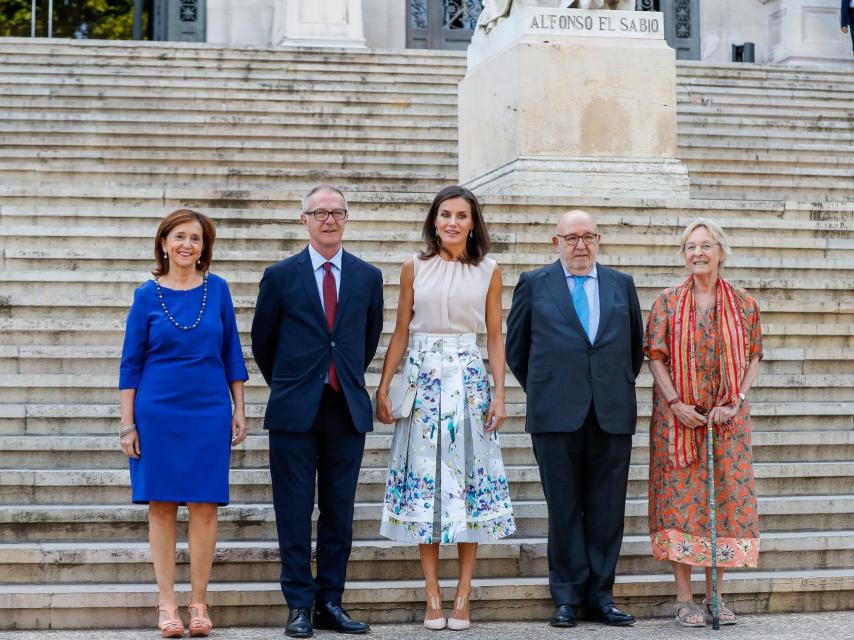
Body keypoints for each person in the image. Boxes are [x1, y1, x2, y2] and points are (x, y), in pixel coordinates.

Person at [376, 185, 516, 631]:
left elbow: (495, 335)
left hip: (468, 377)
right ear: (434, 221)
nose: (452, 222)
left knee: (469, 484)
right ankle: (432, 594)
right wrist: (384, 384)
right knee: (425, 486)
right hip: (421, 379)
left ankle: (463, 595)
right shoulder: (413, 267)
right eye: (445, 214)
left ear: (473, 222)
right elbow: (400, 330)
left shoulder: (489, 270)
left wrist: (500, 392)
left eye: (461, 215)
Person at [251, 184, 384, 638]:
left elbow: (367, 339)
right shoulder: (280, 275)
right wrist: (294, 383)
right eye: (319, 213)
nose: (329, 220)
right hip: (294, 408)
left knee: (338, 510)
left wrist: (338, 376)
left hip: (345, 406)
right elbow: (263, 342)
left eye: (337, 212)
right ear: (303, 219)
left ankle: (331, 600)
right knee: (292, 508)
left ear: (347, 219)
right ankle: (300, 605)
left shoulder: (368, 276)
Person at [505, 210, 643, 628]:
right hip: (554, 413)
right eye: (571, 238)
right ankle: (565, 596)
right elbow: (516, 350)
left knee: (607, 509)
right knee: (563, 508)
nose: (580, 245)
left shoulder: (622, 284)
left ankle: (601, 596)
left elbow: (634, 348)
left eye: (588, 237)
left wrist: (605, 385)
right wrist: (550, 388)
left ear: (599, 239)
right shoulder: (534, 283)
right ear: (556, 242)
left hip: (611, 412)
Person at [119, 208, 248, 638]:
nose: (186, 245)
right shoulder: (145, 295)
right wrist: (127, 424)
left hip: (209, 409)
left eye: (195, 238)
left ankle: (198, 602)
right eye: (179, 236)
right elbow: (130, 364)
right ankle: (167, 603)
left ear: (203, 247)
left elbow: (232, 354)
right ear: (163, 243)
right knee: (161, 505)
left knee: (205, 505)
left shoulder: (219, 290)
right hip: (157, 412)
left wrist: (239, 408)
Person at [644, 218, 762, 627]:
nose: (698, 253)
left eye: (706, 246)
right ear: (684, 254)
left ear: (721, 252)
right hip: (678, 419)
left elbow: (753, 357)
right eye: (691, 247)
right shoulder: (667, 302)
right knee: (680, 502)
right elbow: (654, 356)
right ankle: (684, 598)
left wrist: (736, 401)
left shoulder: (745, 303)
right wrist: (675, 402)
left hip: (727, 419)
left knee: (723, 500)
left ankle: (716, 597)